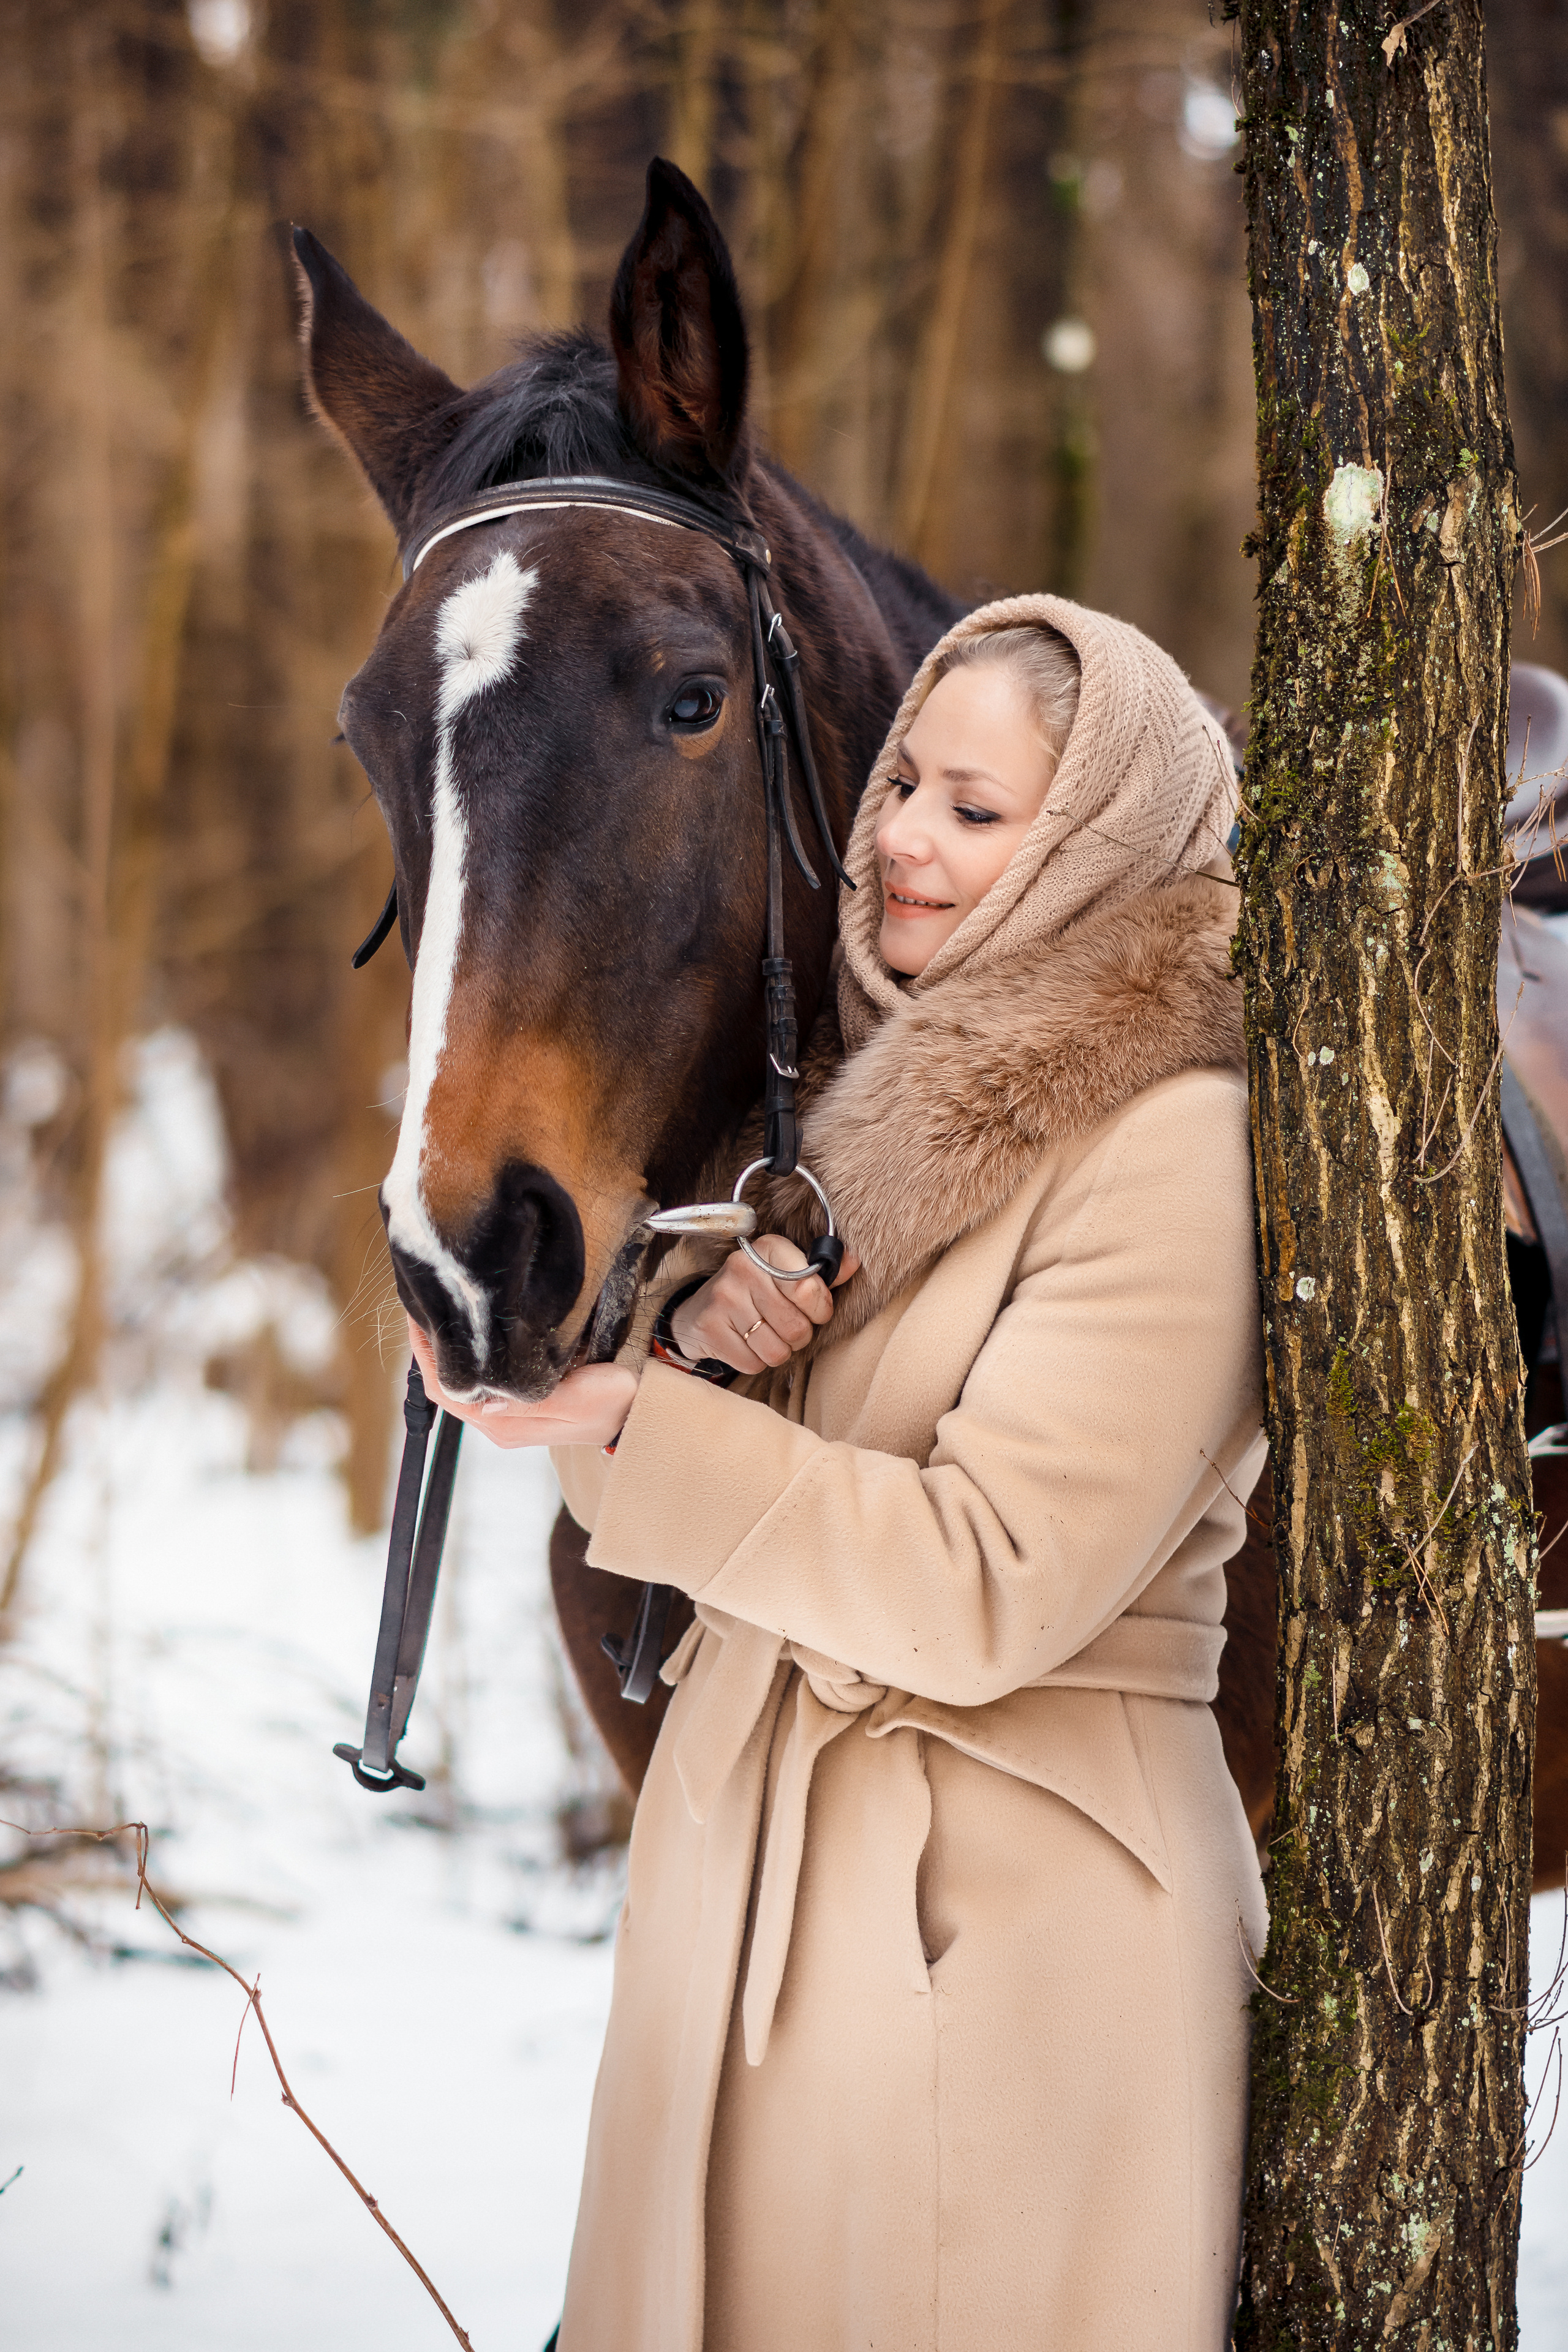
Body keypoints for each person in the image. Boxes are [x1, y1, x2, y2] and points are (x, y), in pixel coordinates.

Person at [410, 594, 1267, 2351]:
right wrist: (680, 1362)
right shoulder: (845, 1111)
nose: (904, 846)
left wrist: (653, 1426)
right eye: (902, 788)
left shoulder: (1181, 1140)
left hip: (1001, 1949)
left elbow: (988, 1584)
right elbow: (655, 1500)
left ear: (1096, 838)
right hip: (758, 1924)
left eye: (978, 811)